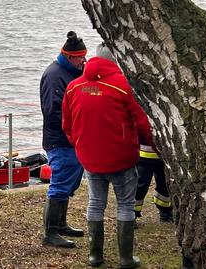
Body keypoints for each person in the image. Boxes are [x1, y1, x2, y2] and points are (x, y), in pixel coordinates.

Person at [62, 43, 155, 268]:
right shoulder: (123, 86)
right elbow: (142, 122)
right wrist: (153, 145)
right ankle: (125, 258)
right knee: (125, 204)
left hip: (90, 159)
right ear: (116, 61)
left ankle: (95, 256)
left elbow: (67, 124)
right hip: (122, 157)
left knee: (95, 203)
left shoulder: (74, 87)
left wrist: (80, 146)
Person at [39, 31, 87, 248]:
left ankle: (60, 224)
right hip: (60, 139)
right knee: (59, 183)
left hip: (70, 138)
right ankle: (50, 232)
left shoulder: (69, 72)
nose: (84, 61)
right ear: (69, 57)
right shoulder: (54, 76)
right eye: (80, 58)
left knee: (69, 181)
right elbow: (52, 111)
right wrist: (74, 127)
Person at [134, 136, 173, 223]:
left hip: (165, 156)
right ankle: (131, 215)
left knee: (165, 186)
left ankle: (166, 213)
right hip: (143, 156)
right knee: (140, 186)